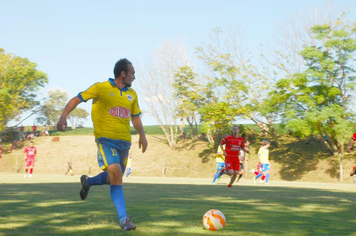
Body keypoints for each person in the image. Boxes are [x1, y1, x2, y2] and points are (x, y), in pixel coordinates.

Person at [56, 58, 148, 231]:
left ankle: (88, 182)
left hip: (125, 143)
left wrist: (142, 135)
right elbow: (77, 99)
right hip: (106, 141)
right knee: (116, 172)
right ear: (123, 73)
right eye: (132, 73)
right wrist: (63, 117)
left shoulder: (132, 94)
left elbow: (135, 117)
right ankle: (124, 220)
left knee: (115, 177)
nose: (134, 77)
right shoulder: (101, 87)